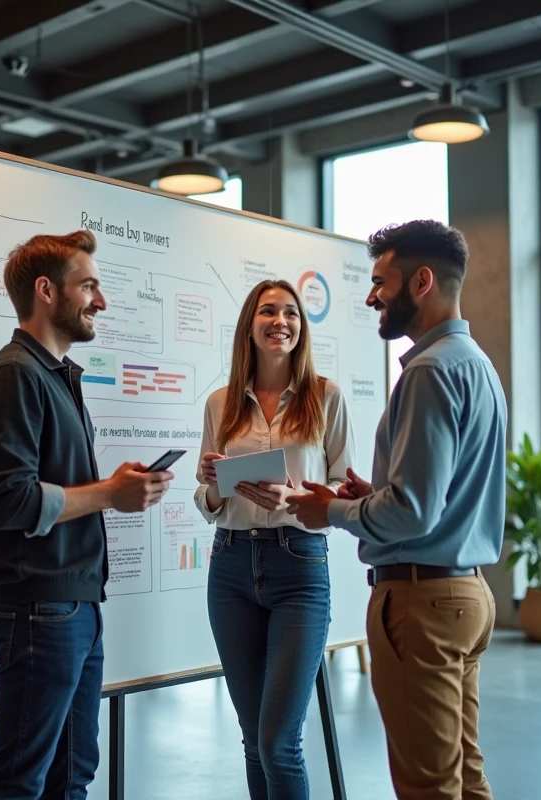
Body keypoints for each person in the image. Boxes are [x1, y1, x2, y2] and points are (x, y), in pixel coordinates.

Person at [288, 220, 507, 800]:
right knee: (463, 777)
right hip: (465, 594)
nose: (370, 296)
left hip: (422, 602)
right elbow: (440, 494)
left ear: (423, 281)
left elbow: (413, 514)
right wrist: (369, 497)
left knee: (426, 787)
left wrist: (330, 511)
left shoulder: (429, 372)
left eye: (381, 281)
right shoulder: (474, 363)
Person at [0, 229, 173, 800]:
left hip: (73, 606)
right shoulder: (16, 374)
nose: (100, 301)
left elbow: (46, 487)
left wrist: (110, 485)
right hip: (39, 609)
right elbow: (9, 501)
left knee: (72, 774)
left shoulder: (54, 375)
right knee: (19, 783)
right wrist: (109, 493)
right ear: (46, 292)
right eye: (89, 286)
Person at [194, 279, 356, 800]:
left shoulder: (326, 396)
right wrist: (213, 486)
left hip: (300, 567)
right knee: (251, 739)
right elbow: (206, 496)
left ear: (301, 328)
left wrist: (297, 497)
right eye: (268, 311)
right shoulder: (220, 403)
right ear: (250, 325)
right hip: (231, 564)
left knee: (278, 742)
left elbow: (347, 487)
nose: (280, 321)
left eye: (290, 313)